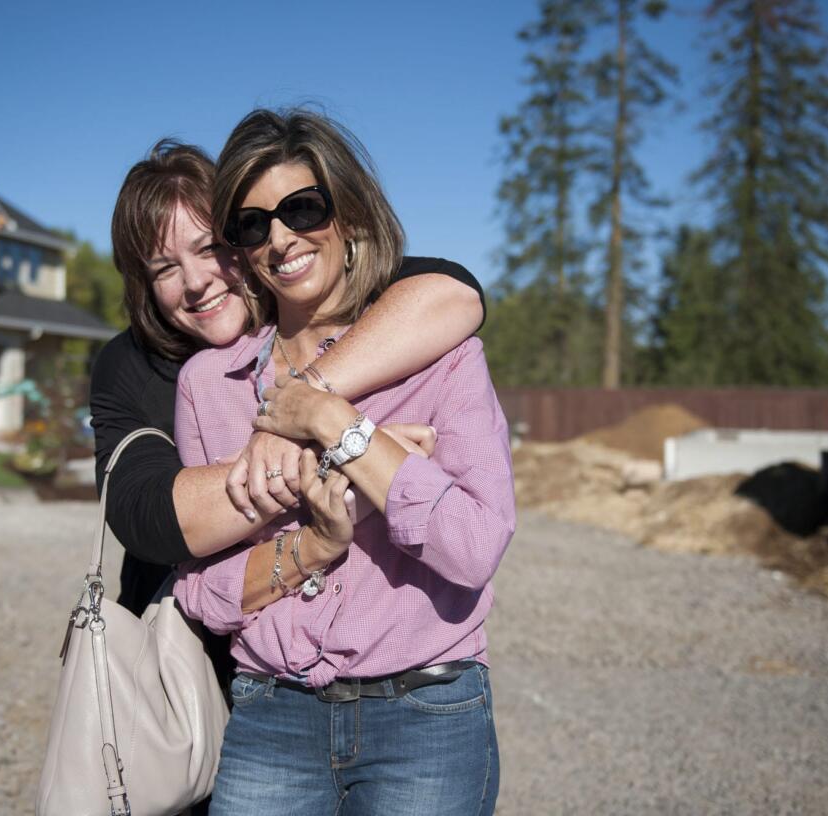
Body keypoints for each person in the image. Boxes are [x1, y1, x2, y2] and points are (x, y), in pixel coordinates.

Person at [172, 109, 515, 816]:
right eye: (253, 223)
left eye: (303, 208)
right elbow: (201, 593)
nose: (281, 238)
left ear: (351, 216)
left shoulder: (444, 354)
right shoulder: (209, 386)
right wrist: (314, 543)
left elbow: (475, 548)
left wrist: (336, 424)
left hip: (427, 717)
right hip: (271, 717)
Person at [91, 139, 485, 619]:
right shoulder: (130, 364)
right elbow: (151, 520)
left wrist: (305, 399)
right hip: (186, 659)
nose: (195, 282)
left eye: (211, 247)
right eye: (165, 268)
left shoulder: (336, 317)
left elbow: (454, 293)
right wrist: (345, 453)